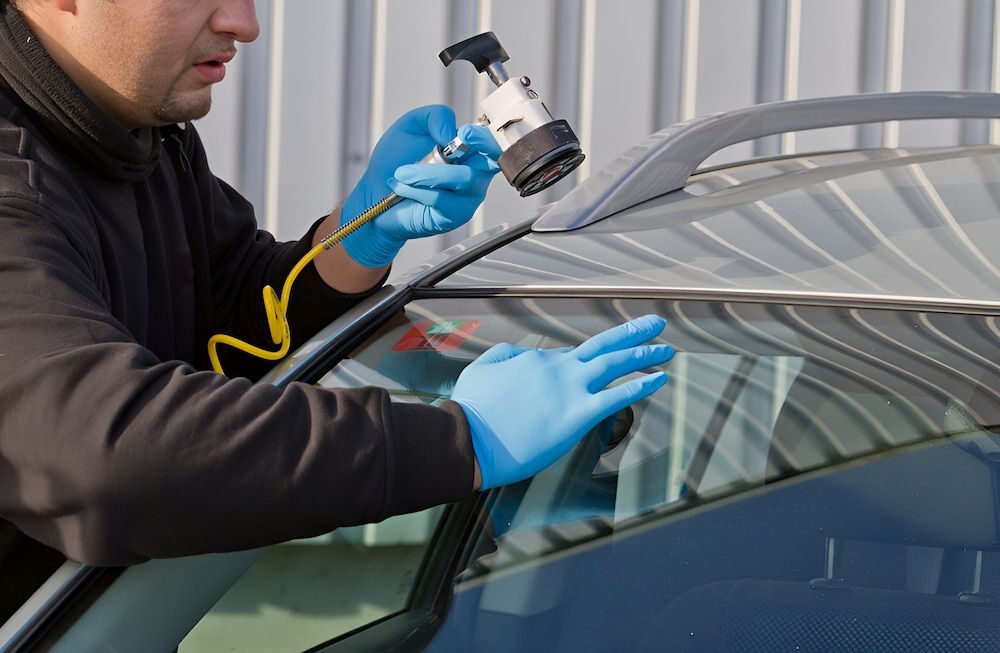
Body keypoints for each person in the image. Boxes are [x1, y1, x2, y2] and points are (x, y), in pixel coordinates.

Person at [0, 0, 674, 591]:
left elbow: (227, 321)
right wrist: (461, 440)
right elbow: (106, 450)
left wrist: (357, 239)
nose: (246, 22)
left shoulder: (138, 132)